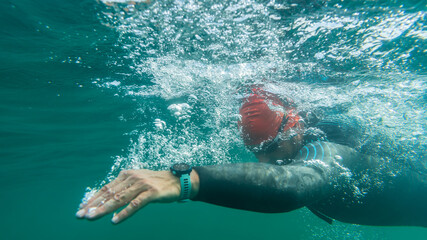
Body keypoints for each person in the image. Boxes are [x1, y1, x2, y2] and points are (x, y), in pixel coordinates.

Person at [76, 88, 427, 227]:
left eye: (272, 150)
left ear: (295, 128)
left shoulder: (333, 151)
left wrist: (186, 179)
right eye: (256, 154)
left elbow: (294, 187)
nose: (266, 163)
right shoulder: (288, 147)